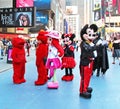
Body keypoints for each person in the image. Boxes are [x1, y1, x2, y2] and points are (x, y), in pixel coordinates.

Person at [79, 24, 100, 99]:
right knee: (84, 77)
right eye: (89, 34)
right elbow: (89, 49)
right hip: (85, 62)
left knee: (88, 77)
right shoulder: (84, 43)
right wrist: (96, 46)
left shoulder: (89, 42)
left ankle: (86, 87)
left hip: (90, 62)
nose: (92, 36)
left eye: (92, 34)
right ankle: (82, 90)